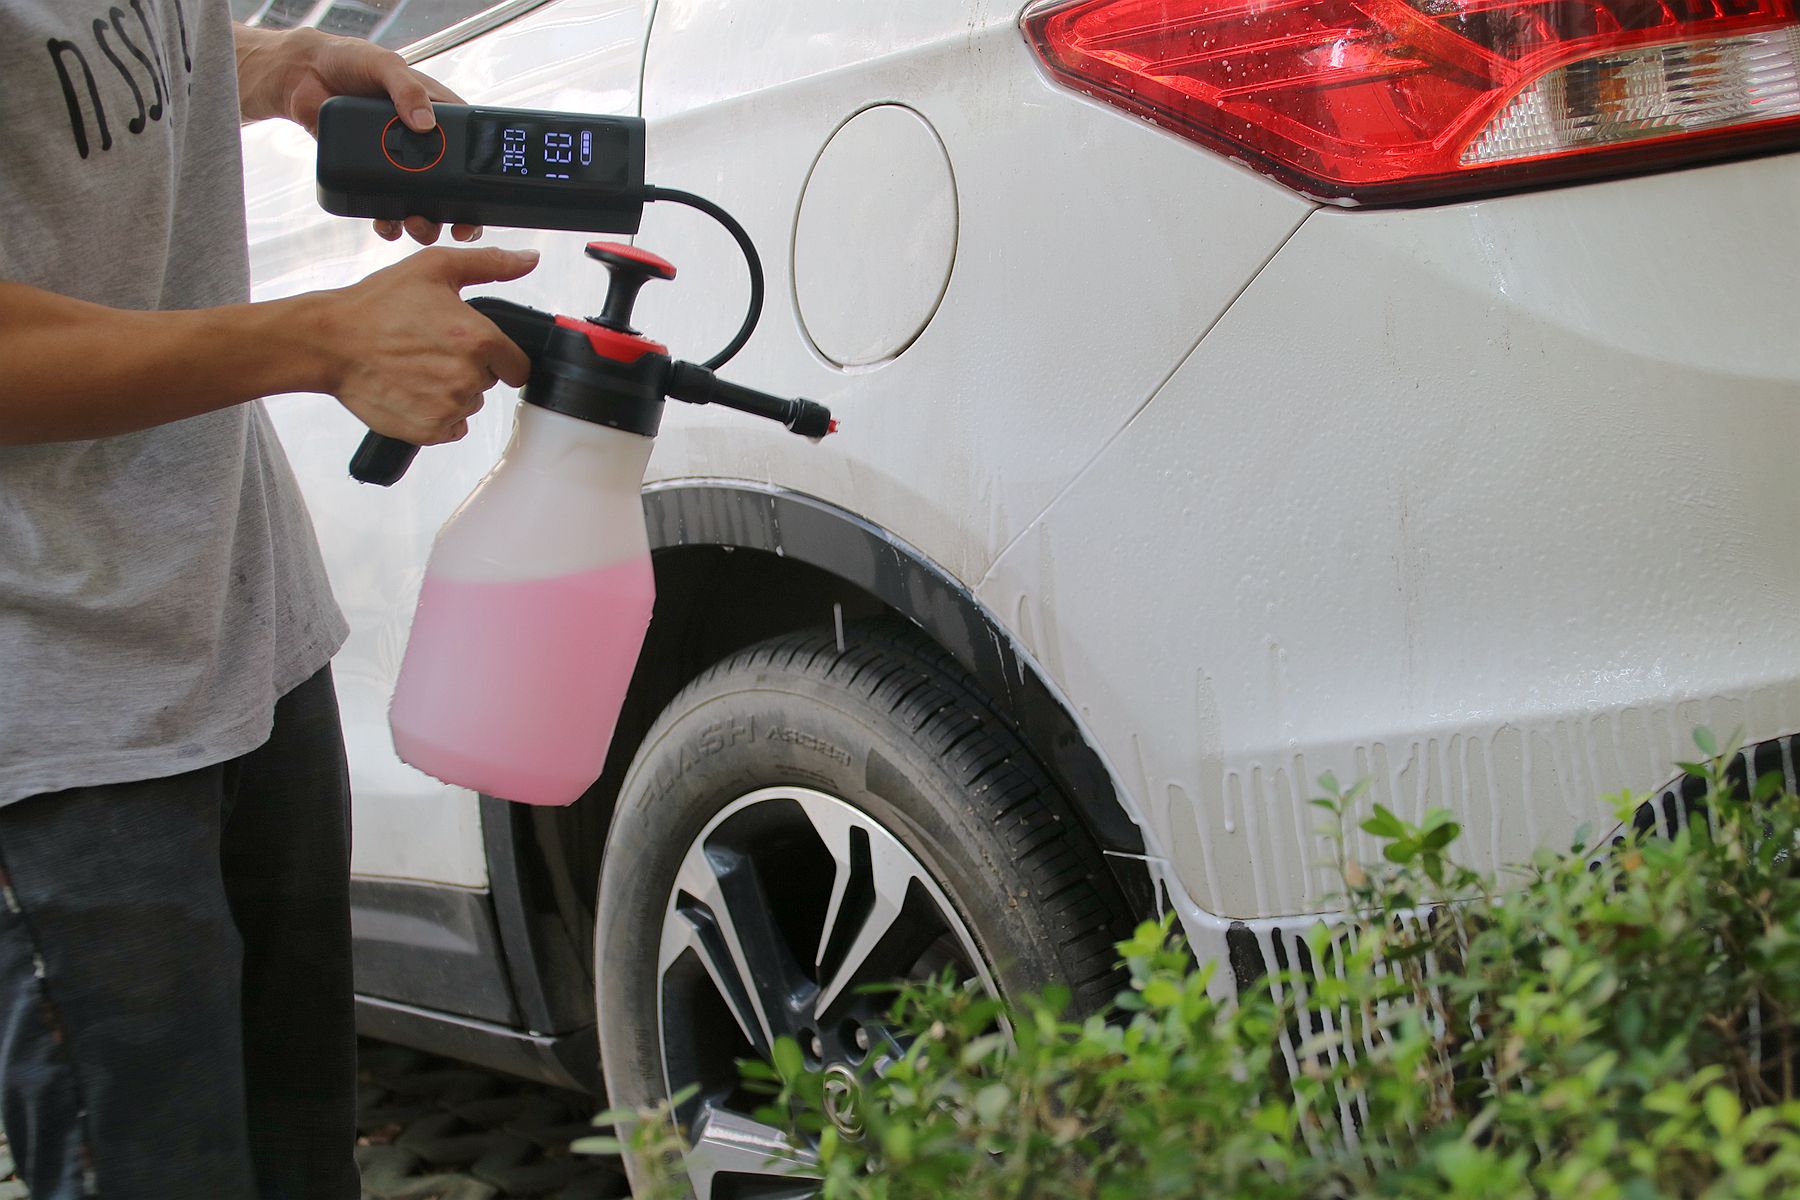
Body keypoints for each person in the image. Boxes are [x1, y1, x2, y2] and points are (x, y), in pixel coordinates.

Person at [0, 5, 535, 1197]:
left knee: (302, 1167)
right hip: (58, 722)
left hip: (241, 625)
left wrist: (277, 65)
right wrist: (319, 340)